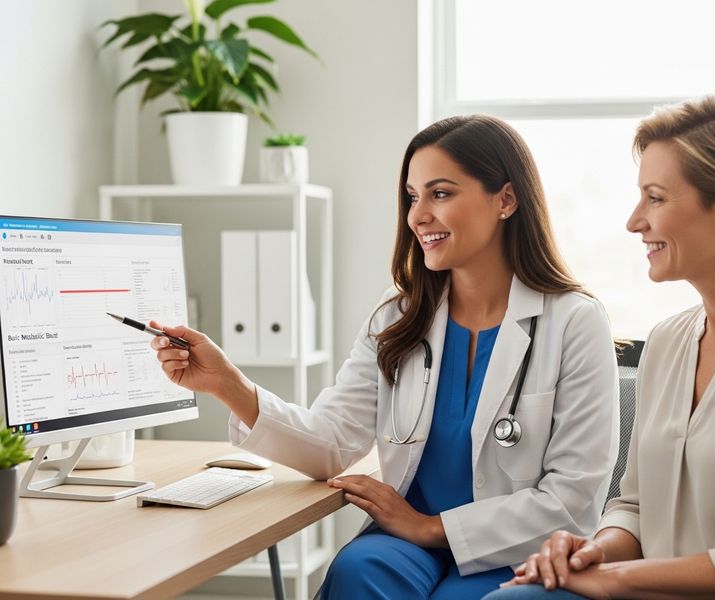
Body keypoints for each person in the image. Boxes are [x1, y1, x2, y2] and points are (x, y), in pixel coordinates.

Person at [150, 114, 620, 599]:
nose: (418, 216)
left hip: (520, 548)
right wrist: (229, 385)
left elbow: (571, 502)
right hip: (406, 544)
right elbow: (331, 442)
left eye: (440, 193)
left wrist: (431, 527)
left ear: (506, 198)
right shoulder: (399, 314)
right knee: (360, 571)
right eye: (413, 197)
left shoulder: (573, 322)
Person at [486, 95, 715, 600]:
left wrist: (613, 580)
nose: (634, 221)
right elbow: (634, 505)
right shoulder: (668, 340)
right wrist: (594, 551)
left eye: (655, 198)